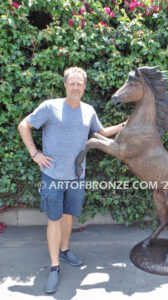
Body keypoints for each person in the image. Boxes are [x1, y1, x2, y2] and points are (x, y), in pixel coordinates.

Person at [18, 67, 124, 294]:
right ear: (65, 85)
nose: (76, 87)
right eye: (72, 83)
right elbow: (23, 125)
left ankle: (65, 251)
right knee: (54, 219)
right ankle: (54, 267)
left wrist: (124, 126)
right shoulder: (50, 107)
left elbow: (101, 132)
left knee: (68, 216)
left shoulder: (88, 110)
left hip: (77, 177)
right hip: (53, 177)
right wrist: (35, 154)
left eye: (80, 84)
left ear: (84, 87)